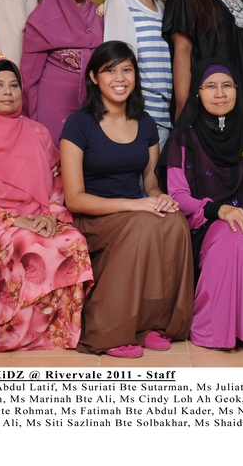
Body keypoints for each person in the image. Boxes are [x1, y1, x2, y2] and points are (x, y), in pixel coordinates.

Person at [60, 41, 194, 358]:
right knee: (142, 226)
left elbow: (151, 182)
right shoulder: (79, 125)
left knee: (175, 222)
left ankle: (152, 324)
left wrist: (160, 199)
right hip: (94, 218)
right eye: (110, 71)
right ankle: (110, 330)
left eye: (127, 70)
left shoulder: (145, 123)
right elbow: (74, 199)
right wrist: (134, 205)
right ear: (94, 77)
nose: (120, 78)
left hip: (136, 214)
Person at [0, 59, 93, 351]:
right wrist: (16, 221)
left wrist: (51, 217)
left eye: (14, 85)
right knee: (28, 245)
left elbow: (57, 181)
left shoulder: (37, 133)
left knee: (73, 240)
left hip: (40, 219)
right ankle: (16, 333)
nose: (8, 92)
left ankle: (58, 332)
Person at [165, 58, 243, 350]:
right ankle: (213, 331)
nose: (220, 93)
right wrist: (219, 209)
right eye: (211, 86)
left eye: (227, 85)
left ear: (237, 90)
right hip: (201, 223)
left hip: (239, 217)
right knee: (234, 237)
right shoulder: (184, 136)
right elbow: (177, 195)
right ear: (198, 92)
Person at [22, 0, 103, 141]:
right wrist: (31, 126)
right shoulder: (41, 21)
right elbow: (28, 80)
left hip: (97, 109)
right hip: (52, 111)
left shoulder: (102, 15)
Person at [104, 0, 173, 149]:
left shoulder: (160, 6)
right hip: (139, 113)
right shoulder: (119, 0)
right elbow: (116, 64)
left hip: (164, 113)